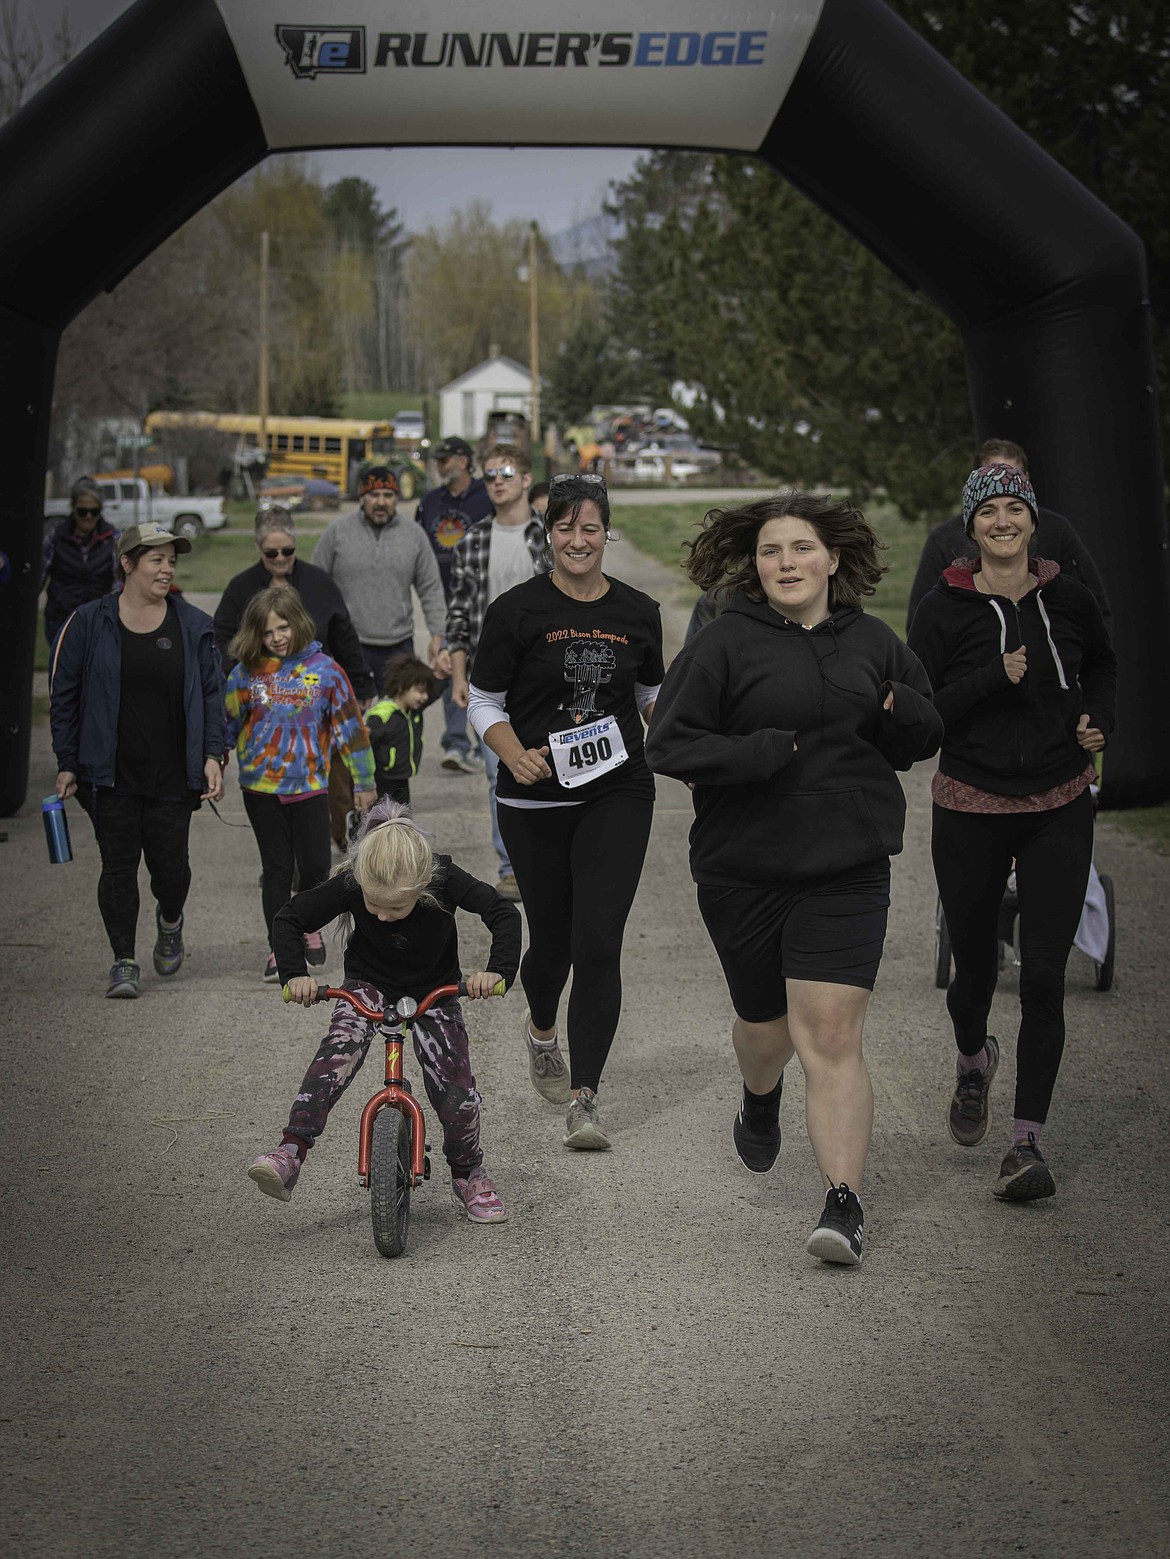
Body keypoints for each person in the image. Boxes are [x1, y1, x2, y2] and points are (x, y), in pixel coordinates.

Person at [645, 492, 943, 1266]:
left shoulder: (874, 641)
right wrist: (751, 755)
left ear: (832, 560)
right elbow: (668, 743)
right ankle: (760, 1091)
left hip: (846, 866)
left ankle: (842, 1203)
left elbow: (922, 732)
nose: (787, 563)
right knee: (766, 1030)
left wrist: (899, 706)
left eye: (802, 549)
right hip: (743, 870)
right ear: (756, 563)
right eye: (773, 551)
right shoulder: (724, 643)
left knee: (833, 1035)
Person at [907, 463, 1116, 1203]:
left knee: (1045, 978)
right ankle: (973, 1060)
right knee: (972, 975)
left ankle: (1025, 1142)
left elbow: (1106, 668)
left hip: (1060, 798)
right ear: (971, 528)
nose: (1002, 521)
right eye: (988, 510)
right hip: (970, 801)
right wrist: (994, 675)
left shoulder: (1070, 597)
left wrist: (1100, 721)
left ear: (1033, 521)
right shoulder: (941, 609)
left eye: (1014, 508)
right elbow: (924, 709)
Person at [467, 473, 664, 1150]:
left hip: (618, 788)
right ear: (547, 534)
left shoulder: (638, 610)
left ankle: (586, 1097)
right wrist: (511, 752)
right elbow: (483, 700)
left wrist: (669, 725)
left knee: (597, 941)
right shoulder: (517, 611)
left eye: (590, 528)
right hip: (533, 797)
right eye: (564, 527)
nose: (578, 540)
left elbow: (648, 692)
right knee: (551, 946)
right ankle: (542, 1028)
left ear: (606, 533)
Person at [248, 799, 522, 1224]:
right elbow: (290, 917)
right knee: (335, 1056)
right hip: (369, 985)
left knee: (455, 1089)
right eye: (374, 907)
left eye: (396, 908)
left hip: (436, 989)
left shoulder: (443, 874)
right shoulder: (355, 882)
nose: (382, 915)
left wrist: (496, 971)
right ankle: (291, 1151)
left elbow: (502, 912)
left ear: (424, 885)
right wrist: (294, 975)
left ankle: (468, 1173)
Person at [49, 523, 226, 999]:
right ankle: (123, 960)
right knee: (118, 867)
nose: (167, 569)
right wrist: (68, 761)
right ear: (127, 564)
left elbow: (212, 696)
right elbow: (63, 695)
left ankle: (170, 919)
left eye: (171, 560)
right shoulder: (88, 622)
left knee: (171, 870)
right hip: (109, 775)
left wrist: (213, 755)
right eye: (156, 560)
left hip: (173, 774)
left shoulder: (192, 625)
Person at [223, 588, 376, 983]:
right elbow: (226, 725)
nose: (276, 636)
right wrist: (211, 762)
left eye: (283, 626)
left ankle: (309, 925)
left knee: (313, 867)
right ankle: (281, 949)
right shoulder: (245, 673)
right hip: (260, 787)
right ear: (254, 632)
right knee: (275, 869)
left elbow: (350, 728)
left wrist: (364, 780)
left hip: (309, 785)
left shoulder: (325, 670)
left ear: (299, 623)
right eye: (267, 630)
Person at [447, 443, 550, 901]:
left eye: (506, 472)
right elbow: (458, 615)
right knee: (499, 775)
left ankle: (549, 860)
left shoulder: (549, 538)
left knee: (553, 768)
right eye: (489, 476)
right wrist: (457, 675)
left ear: (527, 479)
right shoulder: (471, 541)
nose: (497, 481)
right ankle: (511, 867)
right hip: (493, 683)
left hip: (547, 677)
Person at [906, 438, 1112, 636]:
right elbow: (922, 626)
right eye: (994, 477)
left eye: (1014, 476)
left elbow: (1095, 610)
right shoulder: (942, 540)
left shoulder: (1058, 530)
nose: (1003, 523)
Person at [212, 506, 374, 699]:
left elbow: (344, 639)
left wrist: (361, 686)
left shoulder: (320, 583)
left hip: (313, 691)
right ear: (258, 547)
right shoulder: (240, 588)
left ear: (295, 543)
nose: (280, 558)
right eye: (271, 553)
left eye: (288, 551)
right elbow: (221, 640)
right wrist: (235, 682)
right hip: (258, 695)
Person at [310, 466, 448, 689]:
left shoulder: (414, 535)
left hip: (399, 646)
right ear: (362, 497)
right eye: (374, 495)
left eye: (388, 495)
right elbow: (314, 587)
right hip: (347, 645)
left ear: (396, 498)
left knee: (400, 718)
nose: (381, 502)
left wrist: (438, 634)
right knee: (347, 719)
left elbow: (431, 589)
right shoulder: (337, 532)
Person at [414, 436, 493, 774]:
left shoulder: (487, 497)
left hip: (487, 601)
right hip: (445, 602)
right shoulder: (430, 501)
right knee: (450, 669)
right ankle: (456, 744)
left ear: (463, 460)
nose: (440, 465)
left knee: (488, 674)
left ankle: (486, 743)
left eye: (445, 459)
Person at [41, 477, 119, 647]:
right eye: (83, 511)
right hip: (61, 620)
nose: (89, 516)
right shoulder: (55, 538)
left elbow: (119, 582)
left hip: (98, 620)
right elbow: (38, 578)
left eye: (95, 511)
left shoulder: (113, 539)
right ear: (73, 509)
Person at [367, 654, 438, 807]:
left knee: (403, 818)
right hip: (381, 780)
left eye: (426, 692)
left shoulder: (412, 711)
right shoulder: (383, 715)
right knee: (380, 820)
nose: (424, 697)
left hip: (402, 777)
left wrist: (444, 674)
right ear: (401, 687)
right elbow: (365, 743)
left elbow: (436, 690)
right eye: (420, 691)